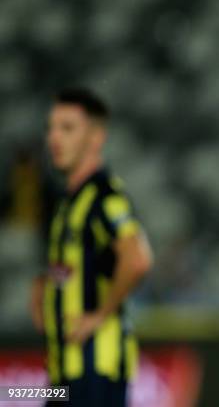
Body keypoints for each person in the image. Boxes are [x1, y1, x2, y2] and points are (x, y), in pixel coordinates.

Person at [30, 88, 153, 406]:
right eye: (51, 128)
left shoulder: (103, 196)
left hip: (94, 369)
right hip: (63, 368)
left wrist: (99, 315)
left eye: (67, 128)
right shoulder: (67, 202)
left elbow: (137, 259)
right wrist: (43, 287)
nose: (54, 138)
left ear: (96, 138)